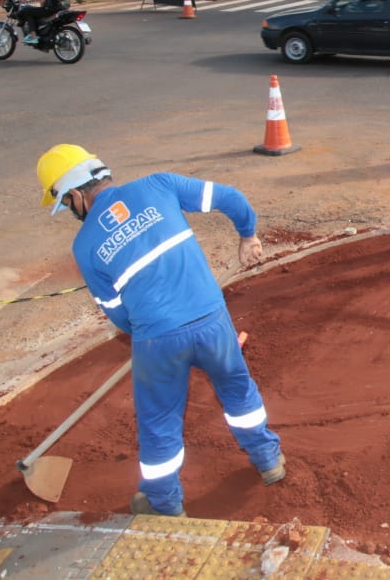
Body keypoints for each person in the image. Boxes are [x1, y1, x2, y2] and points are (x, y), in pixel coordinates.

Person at [35, 143, 284, 517]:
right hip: (212, 320)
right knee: (238, 391)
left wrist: (150, 334)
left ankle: (164, 503)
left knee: (159, 423)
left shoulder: (85, 245)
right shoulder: (158, 185)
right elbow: (230, 198)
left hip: (157, 339)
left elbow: (119, 316)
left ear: (74, 195)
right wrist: (248, 236)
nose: (69, 212)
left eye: (66, 205)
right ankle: (268, 459)